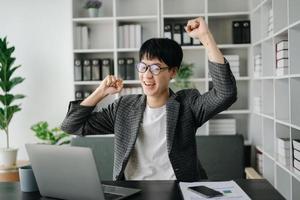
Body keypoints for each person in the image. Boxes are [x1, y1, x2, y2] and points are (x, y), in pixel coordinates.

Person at [61, 17, 237, 182]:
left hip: (178, 188)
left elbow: (225, 93)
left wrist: (205, 37)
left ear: (173, 72)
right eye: (143, 66)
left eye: (155, 68)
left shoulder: (187, 104)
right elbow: (72, 126)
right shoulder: (124, 106)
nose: (146, 75)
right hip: (132, 189)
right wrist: (99, 92)